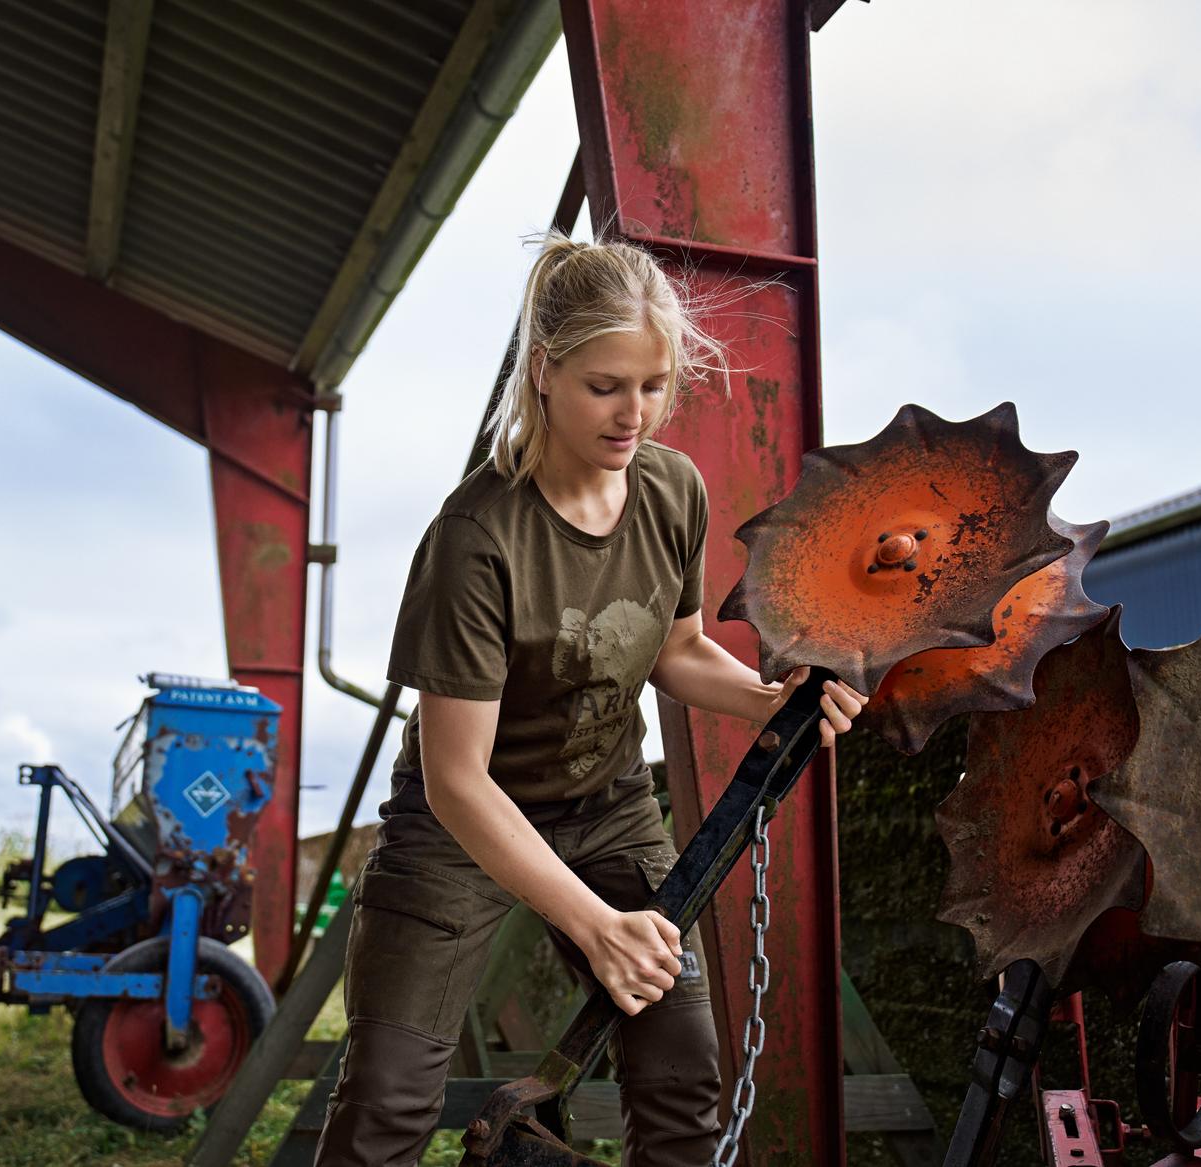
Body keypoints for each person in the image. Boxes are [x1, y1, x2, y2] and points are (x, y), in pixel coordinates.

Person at [313, 235, 867, 1166]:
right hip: (461, 826)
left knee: (682, 1064)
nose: (635, 414)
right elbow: (456, 779)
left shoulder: (670, 490)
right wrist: (595, 926)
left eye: (654, 385)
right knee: (388, 1100)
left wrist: (775, 695)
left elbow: (679, 652)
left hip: (606, 811)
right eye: (605, 386)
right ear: (543, 371)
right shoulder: (475, 538)